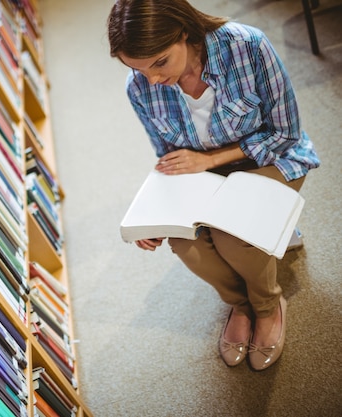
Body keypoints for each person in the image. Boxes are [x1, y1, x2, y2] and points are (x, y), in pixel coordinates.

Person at [107, 0, 320, 370]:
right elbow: (168, 157)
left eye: (160, 62)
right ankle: (241, 304)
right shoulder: (139, 88)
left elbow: (285, 133)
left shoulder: (247, 46)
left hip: (272, 158)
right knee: (184, 243)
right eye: (138, 69)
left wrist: (211, 160)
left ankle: (268, 305)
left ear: (184, 31)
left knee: (232, 234)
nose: (152, 80)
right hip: (203, 174)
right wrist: (155, 218)